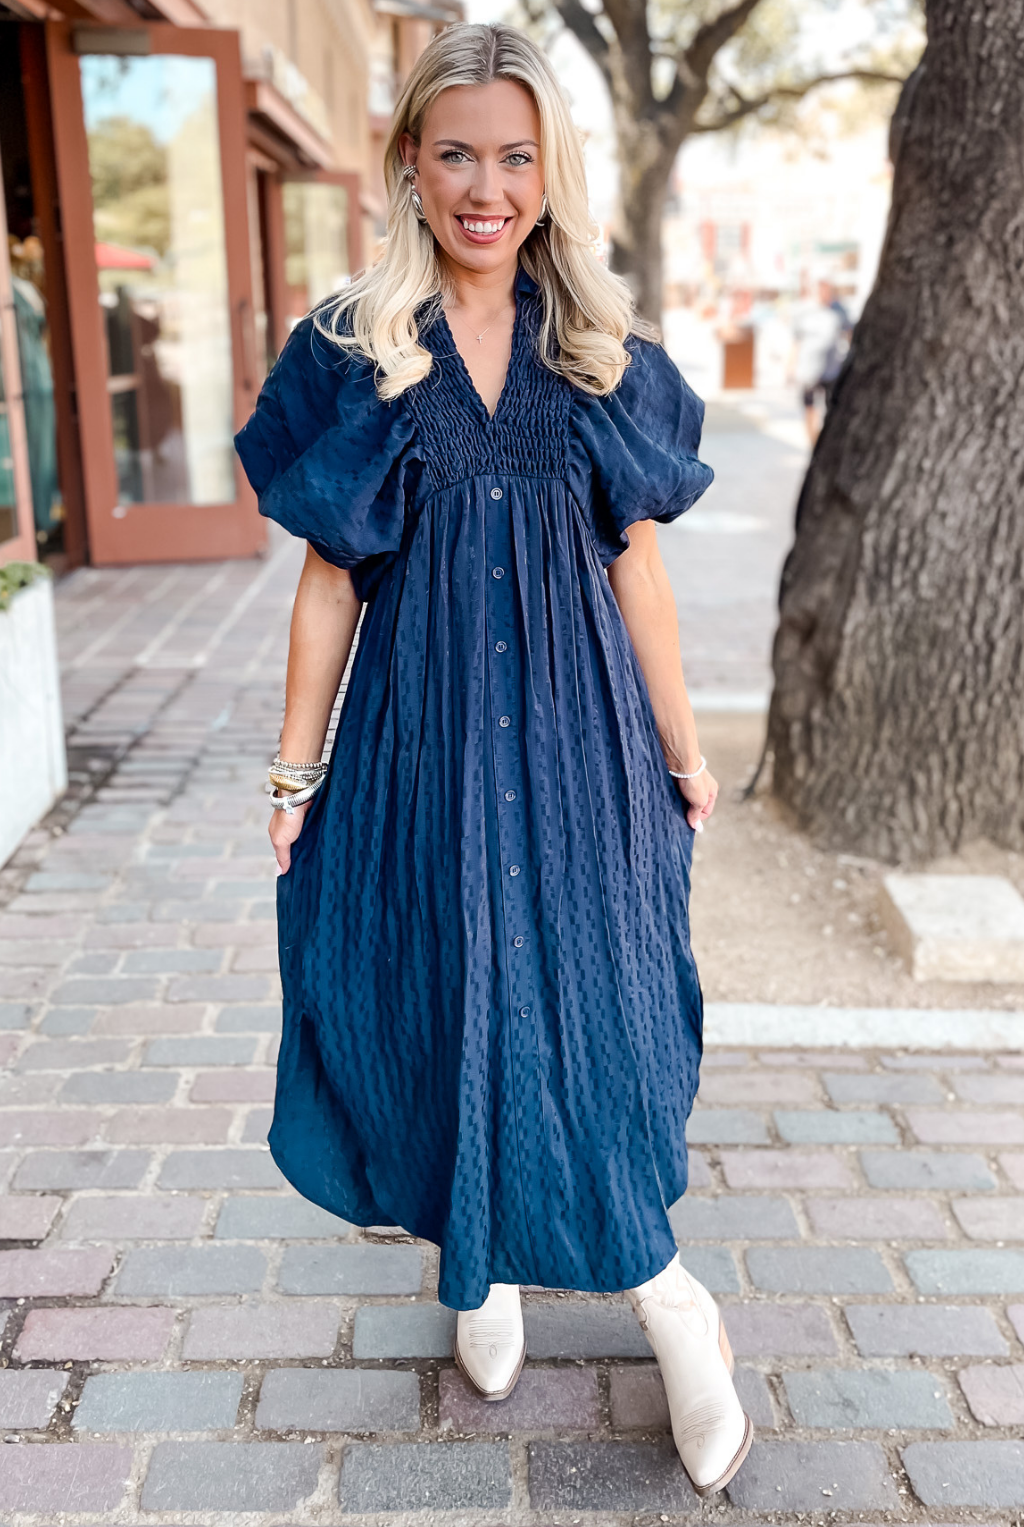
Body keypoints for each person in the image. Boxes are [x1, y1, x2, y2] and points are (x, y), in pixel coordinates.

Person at [234, 22, 751, 1498]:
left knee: (601, 1014)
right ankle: (483, 1266)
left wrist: (684, 750)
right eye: (456, 151)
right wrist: (292, 773)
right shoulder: (353, 349)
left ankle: (669, 1296)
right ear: (408, 161)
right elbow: (330, 581)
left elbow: (637, 570)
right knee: (439, 986)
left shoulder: (596, 347)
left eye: (515, 156)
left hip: (584, 741)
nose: (485, 184)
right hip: (420, 739)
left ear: (548, 172)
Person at [790, 275, 849, 445]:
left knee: (832, 407)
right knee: (810, 407)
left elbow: (849, 333)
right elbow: (796, 341)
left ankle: (827, 441)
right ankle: (812, 441)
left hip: (832, 369)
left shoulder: (839, 310)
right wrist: (791, 367)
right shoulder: (804, 310)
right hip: (808, 369)